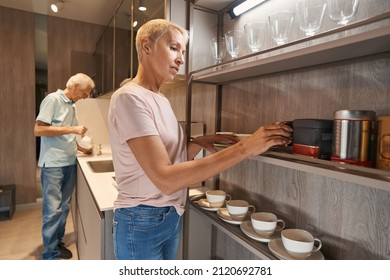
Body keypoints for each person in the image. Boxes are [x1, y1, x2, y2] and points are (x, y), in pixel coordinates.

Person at [108, 19, 292, 260]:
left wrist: (197, 143)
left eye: (183, 52)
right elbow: (166, 178)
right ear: (146, 46)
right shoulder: (129, 98)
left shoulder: (160, 99)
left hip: (171, 214)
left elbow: (169, 158)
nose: (181, 59)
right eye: (174, 48)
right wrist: (246, 148)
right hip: (141, 220)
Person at [34, 73, 95, 260]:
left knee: (63, 209)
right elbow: (38, 129)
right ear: (75, 85)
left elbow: (69, 136)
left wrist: (81, 148)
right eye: (85, 92)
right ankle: (50, 254)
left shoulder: (72, 106)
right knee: (53, 211)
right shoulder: (52, 99)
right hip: (53, 165)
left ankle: (57, 243)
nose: (86, 96)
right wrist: (72, 129)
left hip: (69, 163)